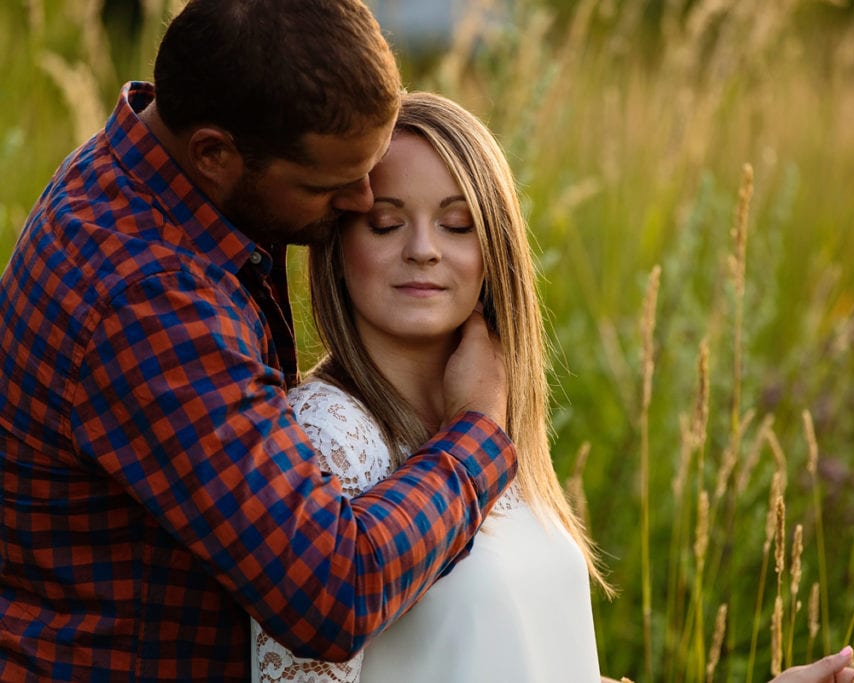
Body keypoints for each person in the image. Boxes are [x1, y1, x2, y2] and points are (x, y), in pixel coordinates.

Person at [250, 91, 854, 683]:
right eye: (386, 224)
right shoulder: (327, 434)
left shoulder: (496, 429)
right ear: (338, 247)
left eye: (458, 225)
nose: (423, 250)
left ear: (496, 250)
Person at [0, 1, 516, 680]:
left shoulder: (150, 175)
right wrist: (476, 433)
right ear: (215, 153)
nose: (363, 197)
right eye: (328, 184)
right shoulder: (149, 299)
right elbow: (333, 589)